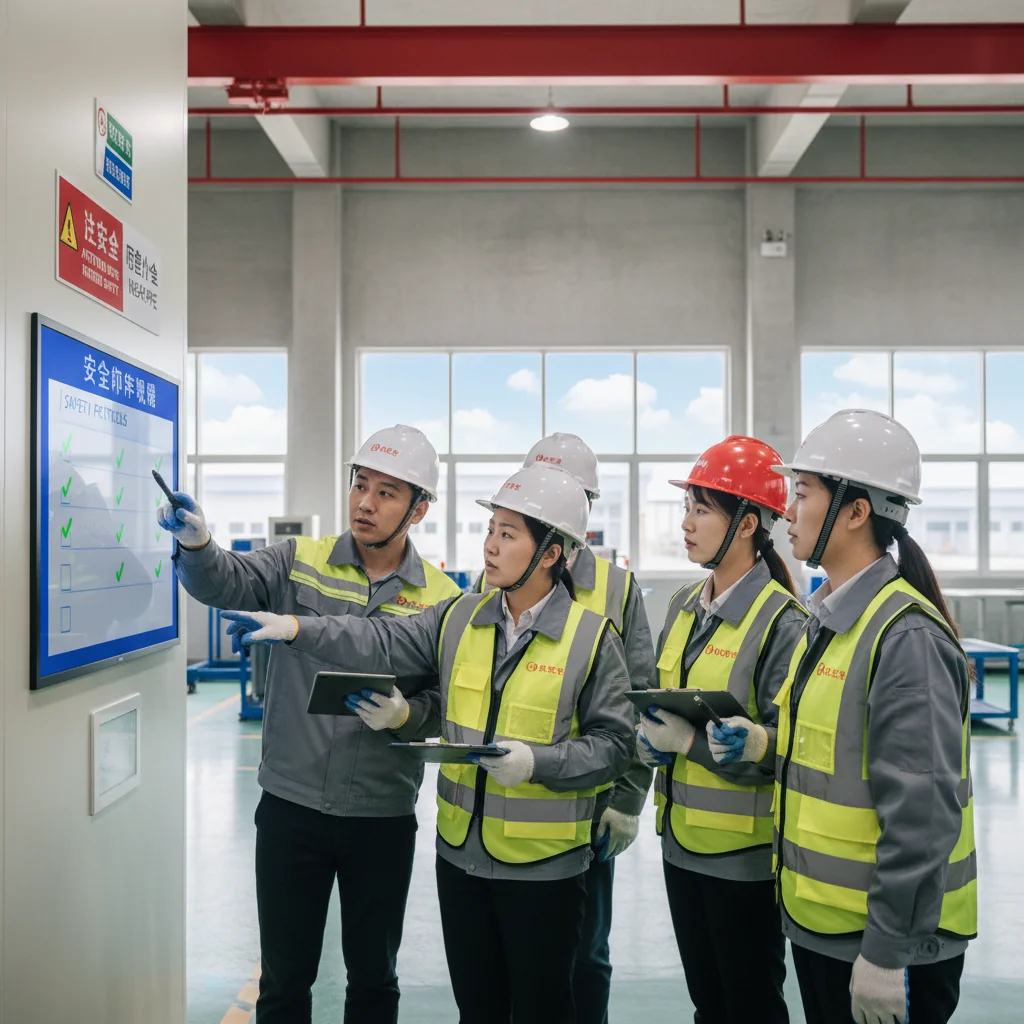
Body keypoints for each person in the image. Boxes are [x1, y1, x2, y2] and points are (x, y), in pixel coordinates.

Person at [223, 463, 636, 1024]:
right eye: (491, 530)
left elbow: (615, 745)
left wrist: (540, 763)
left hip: (545, 868)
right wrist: (297, 628)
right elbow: (377, 639)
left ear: (550, 554)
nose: (490, 546)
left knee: (543, 1009)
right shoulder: (460, 617)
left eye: (508, 534)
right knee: (479, 1009)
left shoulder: (591, 638)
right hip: (462, 862)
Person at [157, 424, 462, 1024]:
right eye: (360, 485)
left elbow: (441, 704)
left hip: (381, 815)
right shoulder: (303, 561)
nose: (366, 503)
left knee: (374, 979)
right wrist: (198, 548)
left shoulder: (443, 598)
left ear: (419, 508)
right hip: (291, 807)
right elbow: (228, 581)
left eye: (387, 493)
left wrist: (408, 715)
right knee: (284, 980)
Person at [772, 409, 977, 1024]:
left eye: (803, 493)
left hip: (885, 945)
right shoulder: (832, 620)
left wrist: (888, 951)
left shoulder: (904, 635)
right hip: (827, 925)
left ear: (856, 511)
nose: (788, 510)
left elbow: (923, 811)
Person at [477, 432, 656, 1024]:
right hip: (497, 809)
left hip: (586, 802)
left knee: (585, 954)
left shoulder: (617, 588)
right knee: (505, 963)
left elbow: (638, 706)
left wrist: (627, 800)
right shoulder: (492, 580)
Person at [635, 436, 807, 1024]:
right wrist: (651, 737)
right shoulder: (684, 605)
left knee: (751, 1005)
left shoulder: (784, 621)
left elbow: (790, 752)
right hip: (681, 844)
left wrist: (694, 743)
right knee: (708, 1004)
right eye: (687, 508)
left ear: (747, 524)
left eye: (701, 510)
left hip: (746, 859)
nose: (686, 524)